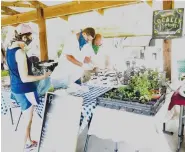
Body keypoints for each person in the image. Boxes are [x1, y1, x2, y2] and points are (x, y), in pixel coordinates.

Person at [6, 24, 51, 151]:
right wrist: (43, 76)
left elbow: (17, 71)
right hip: (24, 89)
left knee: (28, 119)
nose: (31, 40)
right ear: (24, 37)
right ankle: (23, 146)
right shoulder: (19, 52)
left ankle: (29, 141)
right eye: (30, 37)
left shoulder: (10, 48)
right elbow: (25, 78)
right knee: (28, 121)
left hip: (16, 88)